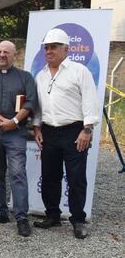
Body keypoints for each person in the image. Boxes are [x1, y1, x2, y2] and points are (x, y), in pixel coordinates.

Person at [32, 28, 99, 239]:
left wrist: (86, 130)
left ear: (66, 49)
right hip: (49, 132)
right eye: (46, 48)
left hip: (75, 131)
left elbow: (90, 102)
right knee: (50, 176)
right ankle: (52, 215)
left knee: (76, 177)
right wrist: (36, 128)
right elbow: (37, 107)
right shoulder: (40, 75)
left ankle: (78, 220)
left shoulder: (80, 71)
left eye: (53, 47)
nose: (49, 51)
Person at [0, 41, 38, 237]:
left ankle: (21, 217)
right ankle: (1, 212)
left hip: (16, 133)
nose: (2, 55)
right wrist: (1, 120)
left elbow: (30, 102)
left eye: (6, 52)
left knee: (17, 173)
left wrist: (13, 121)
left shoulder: (25, 78)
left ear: (14, 55)